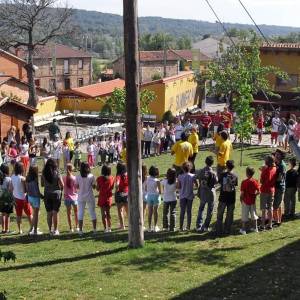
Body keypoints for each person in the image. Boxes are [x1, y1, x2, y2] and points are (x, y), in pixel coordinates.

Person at [195, 156, 218, 233]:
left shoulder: (201, 171)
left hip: (203, 193)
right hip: (211, 194)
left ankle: (198, 225)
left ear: (205, 162)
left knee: (201, 209)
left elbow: (196, 177)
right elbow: (216, 181)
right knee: (209, 211)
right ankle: (206, 226)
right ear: (212, 163)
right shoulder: (213, 173)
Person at [41, 158, 64, 235]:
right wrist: (60, 189)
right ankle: (56, 230)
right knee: (55, 212)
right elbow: (62, 184)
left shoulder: (44, 173)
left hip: (47, 194)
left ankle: (50, 230)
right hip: (56, 193)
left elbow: (42, 184)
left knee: (49, 213)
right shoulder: (57, 172)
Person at [216, 160, 238, 235]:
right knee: (229, 215)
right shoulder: (235, 176)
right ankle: (227, 230)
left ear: (226, 166)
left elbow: (219, 182)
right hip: (231, 198)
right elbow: (235, 185)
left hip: (223, 197)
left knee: (220, 214)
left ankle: (218, 229)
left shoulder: (222, 175)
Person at [76, 162, 97, 235]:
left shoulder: (78, 176)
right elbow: (94, 187)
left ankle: (80, 231)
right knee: (92, 212)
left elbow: (77, 187)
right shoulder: (91, 176)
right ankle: (94, 230)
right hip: (90, 196)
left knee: (80, 213)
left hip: (81, 196)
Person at [11, 162, 32, 234]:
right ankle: (32, 227)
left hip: (16, 198)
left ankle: (20, 230)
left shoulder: (12, 177)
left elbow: (11, 188)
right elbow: (24, 190)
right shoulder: (22, 178)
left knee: (18, 215)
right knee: (29, 214)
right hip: (23, 198)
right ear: (22, 169)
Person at [239, 167, 260, 235]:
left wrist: (241, 199)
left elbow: (242, 193)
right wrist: (254, 195)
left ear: (247, 173)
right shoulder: (255, 181)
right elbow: (259, 191)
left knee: (245, 215)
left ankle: (243, 229)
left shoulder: (244, 182)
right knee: (254, 215)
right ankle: (255, 228)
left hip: (245, 201)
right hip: (252, 201)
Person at [178, 162, 197, 231]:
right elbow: (196, 185)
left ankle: (180, 227)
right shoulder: (193, 176)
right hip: (190, 195)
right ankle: (188, 227)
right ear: (190, 168)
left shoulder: (180, 176)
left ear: (182, 168)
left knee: (182, 211)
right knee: (189, 211)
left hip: (182, 196)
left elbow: (179, 186)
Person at [260, 155, 277, 230]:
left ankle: (262, 225)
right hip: (272, 190)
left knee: (264, 208)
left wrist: (262, 171)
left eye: (265, 160)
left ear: (267, 162)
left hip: (264, 190)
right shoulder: (275, 168)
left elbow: (262, 181)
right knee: (270, 207)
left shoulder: (266, 170)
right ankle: (270, 224)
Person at [96, 165, 114, 233]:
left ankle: (105, 228)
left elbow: (97, 189)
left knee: (103, 214)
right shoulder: (112, 178)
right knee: (108, 213)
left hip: (102, 197)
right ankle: (109, 227)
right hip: (108, 197)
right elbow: (112, 188)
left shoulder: (99, 178)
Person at [26, 166, 43, 235]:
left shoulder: (27, 178)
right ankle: (35, 231)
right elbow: (37, 191)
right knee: (36, 215)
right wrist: (42, 196)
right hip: (35, 198)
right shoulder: (35, 179)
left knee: (35, 214)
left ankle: (31, 229)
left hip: (30, 197)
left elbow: (27, 189)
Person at [145, 166, 161, 232]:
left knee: (150, 212)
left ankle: (149, 227)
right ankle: (155, 226)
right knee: (155, 211)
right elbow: (160, 191)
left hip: (149, 196)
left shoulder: (147, 178)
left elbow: (145, 188)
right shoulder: (157, 181)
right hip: (156, 196)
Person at [63, 164, 78, 232]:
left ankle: (71, 228)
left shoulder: (64, 178)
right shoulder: (74, 178)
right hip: (74, 197)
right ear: (71, 169)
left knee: (69, 213)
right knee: (76, 212)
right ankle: (77, 226)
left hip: (67, 197)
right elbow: (77, 188)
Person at [273, 149, 286, 226]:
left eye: (278, 154)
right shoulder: (276, 163)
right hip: (276, 186)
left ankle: (277, 221)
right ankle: (278, 220)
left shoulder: (282, 165)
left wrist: (270, 179)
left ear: (281, 156)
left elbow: (280, 178)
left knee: (276, 205)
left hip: (280, 187)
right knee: (279, 204)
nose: (276, 156)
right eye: (276, 154)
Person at [115, 162, 129, 230]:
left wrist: (116, 189)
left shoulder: (118, 175)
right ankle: (130, 224)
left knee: (120, 210)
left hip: (120, 194)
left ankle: (122, 226)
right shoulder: (127, 174)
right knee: (127, 210)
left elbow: (117, 184)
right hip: (127, 193)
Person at [0, 164, 13, 233]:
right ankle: (7, 229)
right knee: (7, 215)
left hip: (1, 198)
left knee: (2, 214)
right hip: (7, 199)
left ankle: (3, 229)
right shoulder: (8, 179)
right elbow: (10, 190)